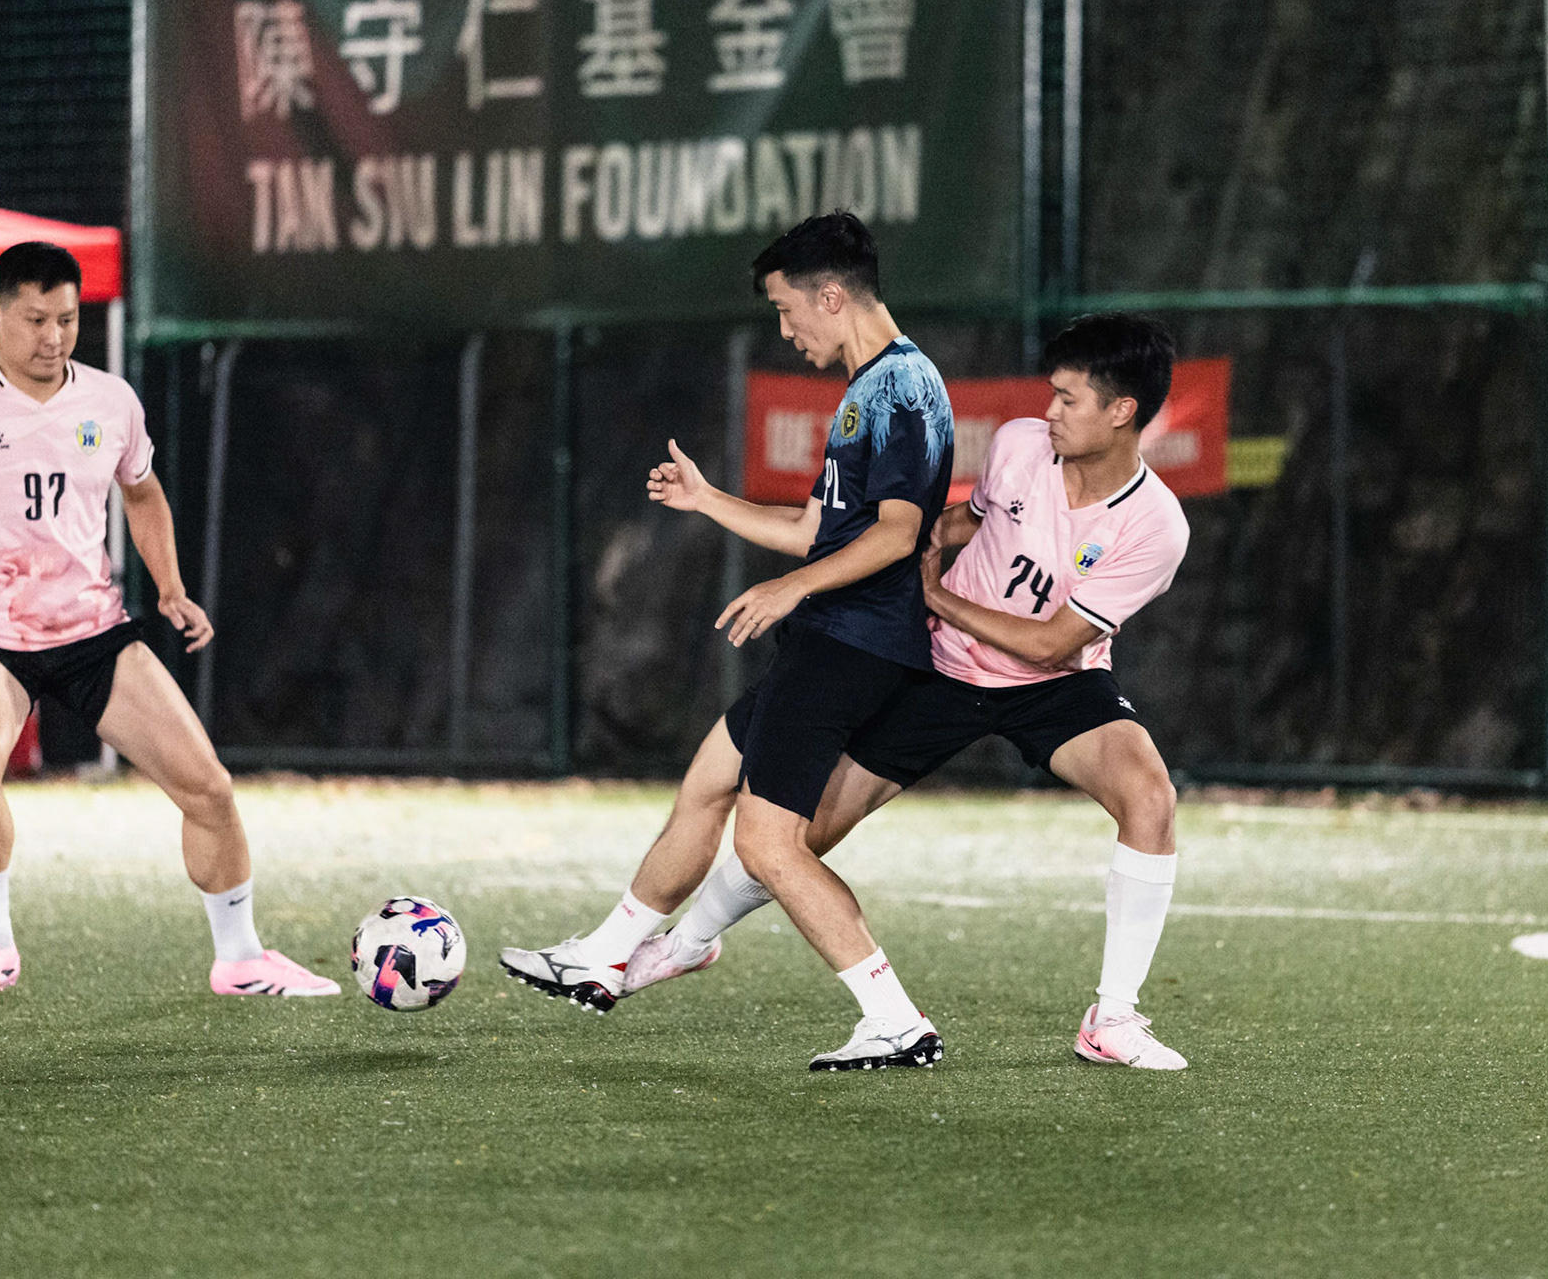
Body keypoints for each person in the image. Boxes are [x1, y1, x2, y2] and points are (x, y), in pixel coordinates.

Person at [522, 313, 1193, 1070]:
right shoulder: (1018, 446)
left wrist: (936, 599)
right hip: (940, 669)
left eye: (1069, 400)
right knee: (793, 841)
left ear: (1122, 410)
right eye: (1052, 394)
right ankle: (683, 945)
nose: (1050, 411)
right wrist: (912, 551)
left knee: (1150, 796)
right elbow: (963, 524)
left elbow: (1052, 644)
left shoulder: (1156, 526)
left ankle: (1112, 1019)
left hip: (1052, 683)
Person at [502, 212, 956, 1072]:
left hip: (853, 643)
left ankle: (895, 1018)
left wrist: (792, 590)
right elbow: (817, 527)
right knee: (710, 780)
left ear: (832, 295)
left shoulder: (900, 387)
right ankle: (604, 951)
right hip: (837, 635)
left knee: (769, 845)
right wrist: (712, 501)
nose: (786, 332)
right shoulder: (872, 390)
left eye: (789, 311)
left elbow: (897, 533)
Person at [0, 241, 338, 1006]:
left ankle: (241, 958)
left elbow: (141, 494)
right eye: (37, 319)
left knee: (209, 788)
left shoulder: (110, 402)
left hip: (91, 631)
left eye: (68, 319)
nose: (54, 336)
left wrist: (171, 587)